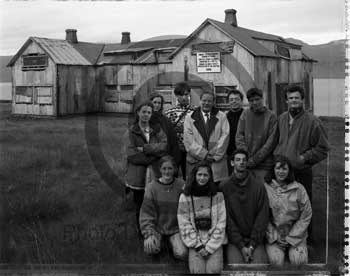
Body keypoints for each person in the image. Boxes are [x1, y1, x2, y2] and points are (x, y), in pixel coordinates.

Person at [273, 85, 329, 205]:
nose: (293, 100)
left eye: (297, 98)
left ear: (302, 100)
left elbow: (323, 149)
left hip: (301, 172)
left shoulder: (313, 122)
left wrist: (303, 158)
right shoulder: (281, 118)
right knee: (283, 206)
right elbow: (275, 141)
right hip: (282, 172)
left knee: (303, 206)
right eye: (291, 98)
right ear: (286, 100)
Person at [124, 101, 168, 233]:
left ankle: (156, 228)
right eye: (143, 112)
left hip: (155, 173)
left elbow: (164, 145)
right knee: (141, 204)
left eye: (149, 112)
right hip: (138, 174)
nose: (146, 115)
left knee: (155, 202)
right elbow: (132, 155)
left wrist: (145, 148)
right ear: (138, 113)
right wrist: (154, 157)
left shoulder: (157, 129)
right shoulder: (131, 132)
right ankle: (142, 231)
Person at [220, 149, 269, 264]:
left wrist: (252, 245)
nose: (241, 162)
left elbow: (262, 218)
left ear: (247, 163)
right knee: (236, 267)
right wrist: (241, 246)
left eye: (244, 160)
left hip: (255, 240)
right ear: (232, 163)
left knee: (260, 267)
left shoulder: (259, 187)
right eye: (238, 160)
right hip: (235, 241)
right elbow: (227, 220)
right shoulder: (224, 187)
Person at [177, 161, 226, 274]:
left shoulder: (218, 196)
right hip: (195, 243)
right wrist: (198, 245)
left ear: (210, 177)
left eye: (205, 175)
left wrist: (210, 247)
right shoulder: (185, 196)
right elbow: (184, 223)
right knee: (197, 271)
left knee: (213, 270)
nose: (202, 178)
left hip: (214, 242)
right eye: (199, 175)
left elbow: (221, 222)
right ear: (194, 176)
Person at [264, 155, 312, 266]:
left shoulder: (299, 189)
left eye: (284, 169)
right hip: (274, 236)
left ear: (289, 171)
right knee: (276, 262)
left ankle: (296, 252)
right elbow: (262, 216)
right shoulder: (265, 188)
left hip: (296, 235)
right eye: (278, 168)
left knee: (299, 261)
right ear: (273, 170)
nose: (281, 171)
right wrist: (275, 236)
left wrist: (291, 237)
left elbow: (306, 215)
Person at [139, 155, 187, 260]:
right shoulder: (151, 187)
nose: (167, 171)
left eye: (170, 168)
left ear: (175, 169)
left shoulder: (182, 185)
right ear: (160, 169)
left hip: (176, 228)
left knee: (182, 253)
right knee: (150, 248)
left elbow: (188, 208)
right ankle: (160, 241)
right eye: (164, 168)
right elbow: (146, 213)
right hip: (157, 228)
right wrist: (148, 233)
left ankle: (171, 242)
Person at [183, 91, 229, 183]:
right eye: (204, 100)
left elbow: (225, 136)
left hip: (216, 161)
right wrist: (204, 155)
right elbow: (189, 140)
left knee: (216, 188)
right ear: (200, 101)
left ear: (213, 102)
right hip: (196, 161)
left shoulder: (222, 116)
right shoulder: (189, 117)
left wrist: (213, 155)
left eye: (209, 101)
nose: (206, 103)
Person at [235, 87, 278, 182]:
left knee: (262, 192)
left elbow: (271, 143)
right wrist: (246, 157)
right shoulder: (245, 114)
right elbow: (239, 136)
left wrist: (255, 160)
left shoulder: (271, 116)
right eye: (251, 100)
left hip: (264, 165)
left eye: (257, 99)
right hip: (247, 164)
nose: (254, 102)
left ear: (263, 99)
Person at [165, 82, 196, 180]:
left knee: (190, 175)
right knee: (173, 174)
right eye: (181, 95)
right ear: (176, 96)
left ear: (189, 95)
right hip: (175, 149)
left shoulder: (195, 112)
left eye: (186, 94)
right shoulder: (169, 113)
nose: (184, 97)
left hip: (190, 150)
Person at [149, 92, 181, 166]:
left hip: (164, 157)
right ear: (150, 103)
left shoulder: (166, 120)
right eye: (155, 102)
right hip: (149, 157)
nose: (157, 105)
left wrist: (175, 160)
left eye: (159, 103)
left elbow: (173, 141)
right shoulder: (145, 119)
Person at [225, 89, 244, 175]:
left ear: (241, 101)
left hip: (244, 155)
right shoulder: (224, 117)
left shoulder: (246, 115)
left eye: (236, 99)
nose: (234, 102)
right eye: (231, 100)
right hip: (229, 155)